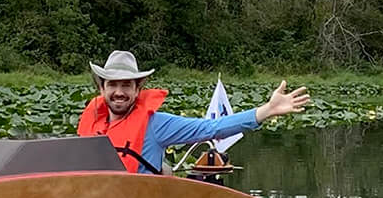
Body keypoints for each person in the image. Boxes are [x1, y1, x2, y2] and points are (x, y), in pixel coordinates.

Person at [76, 50, 310, 173]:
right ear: (101, 88)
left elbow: (212, 128)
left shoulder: (157, 124)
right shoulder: (92, 121)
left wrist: (266, 110)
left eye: (126, 85)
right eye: (113, 85)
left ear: (138, 89)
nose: (119, 92)